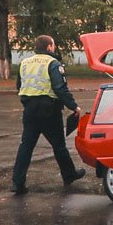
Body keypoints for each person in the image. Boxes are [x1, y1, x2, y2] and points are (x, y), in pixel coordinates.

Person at [11, 35, 86, 194]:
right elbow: (60, 88)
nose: (55, 47)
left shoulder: (25, 62)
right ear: (49, 47)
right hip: (49, 110)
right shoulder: (53, 63)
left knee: (26, 146)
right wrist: (74, 107)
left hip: (30, 109)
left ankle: (17, 182)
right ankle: (69, 174)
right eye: (54, 45)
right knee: (59, 145)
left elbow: (19, 86)